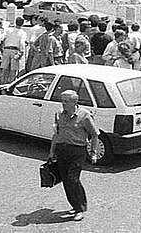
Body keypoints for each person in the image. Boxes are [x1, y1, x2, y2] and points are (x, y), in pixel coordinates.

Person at [48, 90, 98, 221]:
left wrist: (93, 153)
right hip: (62, 150)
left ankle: (80, 208)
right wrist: (52, 152)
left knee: (73, 179)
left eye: (66, 101)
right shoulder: (58, 114)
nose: (63, 104)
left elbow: (94, 134)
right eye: (62, 101)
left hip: (77, 152)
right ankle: (75, 206)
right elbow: (56, 134)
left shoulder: (84, 115)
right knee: (65, 180)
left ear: (75, 102)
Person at [0, 17, 29, 83]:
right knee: (13, 69)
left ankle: (2, 82)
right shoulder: (22, 33)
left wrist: (2, 49)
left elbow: (2, 39)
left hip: (6, 49)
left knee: (4, 68)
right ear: (22, 24)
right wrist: (22, 52)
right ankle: (11, 83)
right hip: (15, 51)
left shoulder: (8, 30)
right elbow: (21, 43)